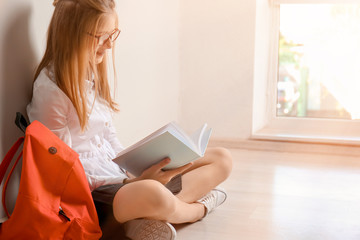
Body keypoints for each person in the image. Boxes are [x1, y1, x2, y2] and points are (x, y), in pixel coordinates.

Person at [27, 0, 233, 239]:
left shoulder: (89, 76)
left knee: (222, 159)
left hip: (120, 178)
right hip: (91, 194)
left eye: (112, 34)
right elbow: (63, 174)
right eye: (101, 36)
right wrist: (127, 181)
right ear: (72, 36)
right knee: (153, 193)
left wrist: (134, 167)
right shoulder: (51, 92)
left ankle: (146, 217)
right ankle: (197, 209)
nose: (110, 45)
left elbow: (109, 137)